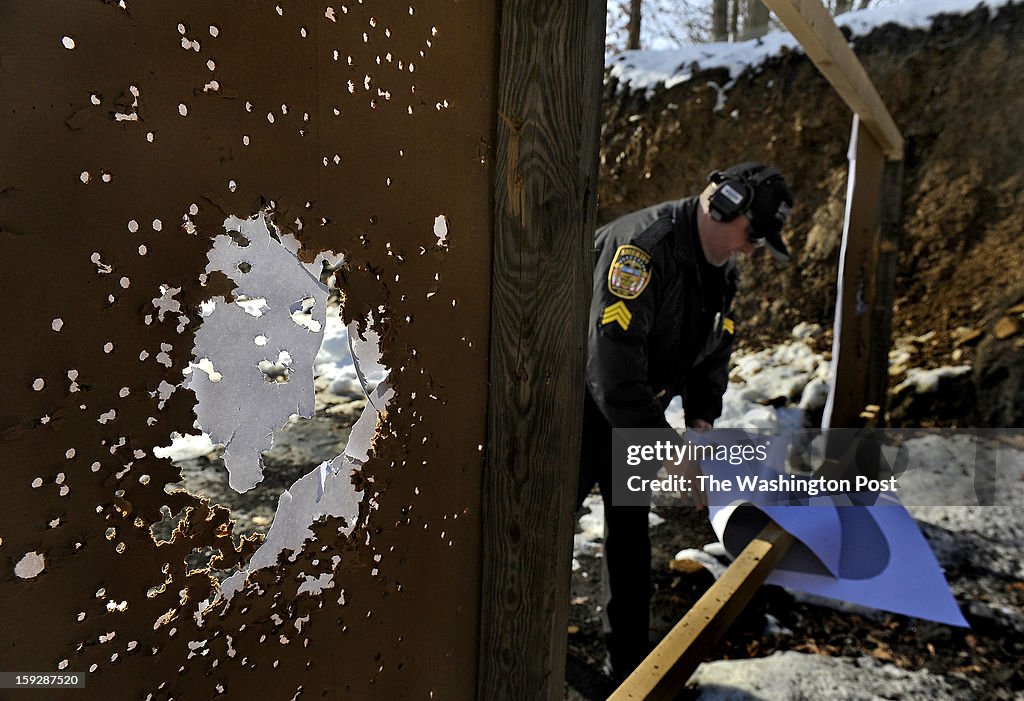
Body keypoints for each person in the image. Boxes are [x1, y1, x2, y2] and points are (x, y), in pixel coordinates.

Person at [577, 162, 795, 681]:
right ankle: (515, 653)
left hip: (635, 412)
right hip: (574, 405)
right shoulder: (641, 251)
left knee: (629, 530)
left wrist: (701, 417)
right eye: (750, 235)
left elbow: (716, 346)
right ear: (723, 205)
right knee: (542, 530)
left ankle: (628, 661)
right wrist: (666, 448)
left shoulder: (721, 267)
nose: (749, 249)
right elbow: (611, 363)